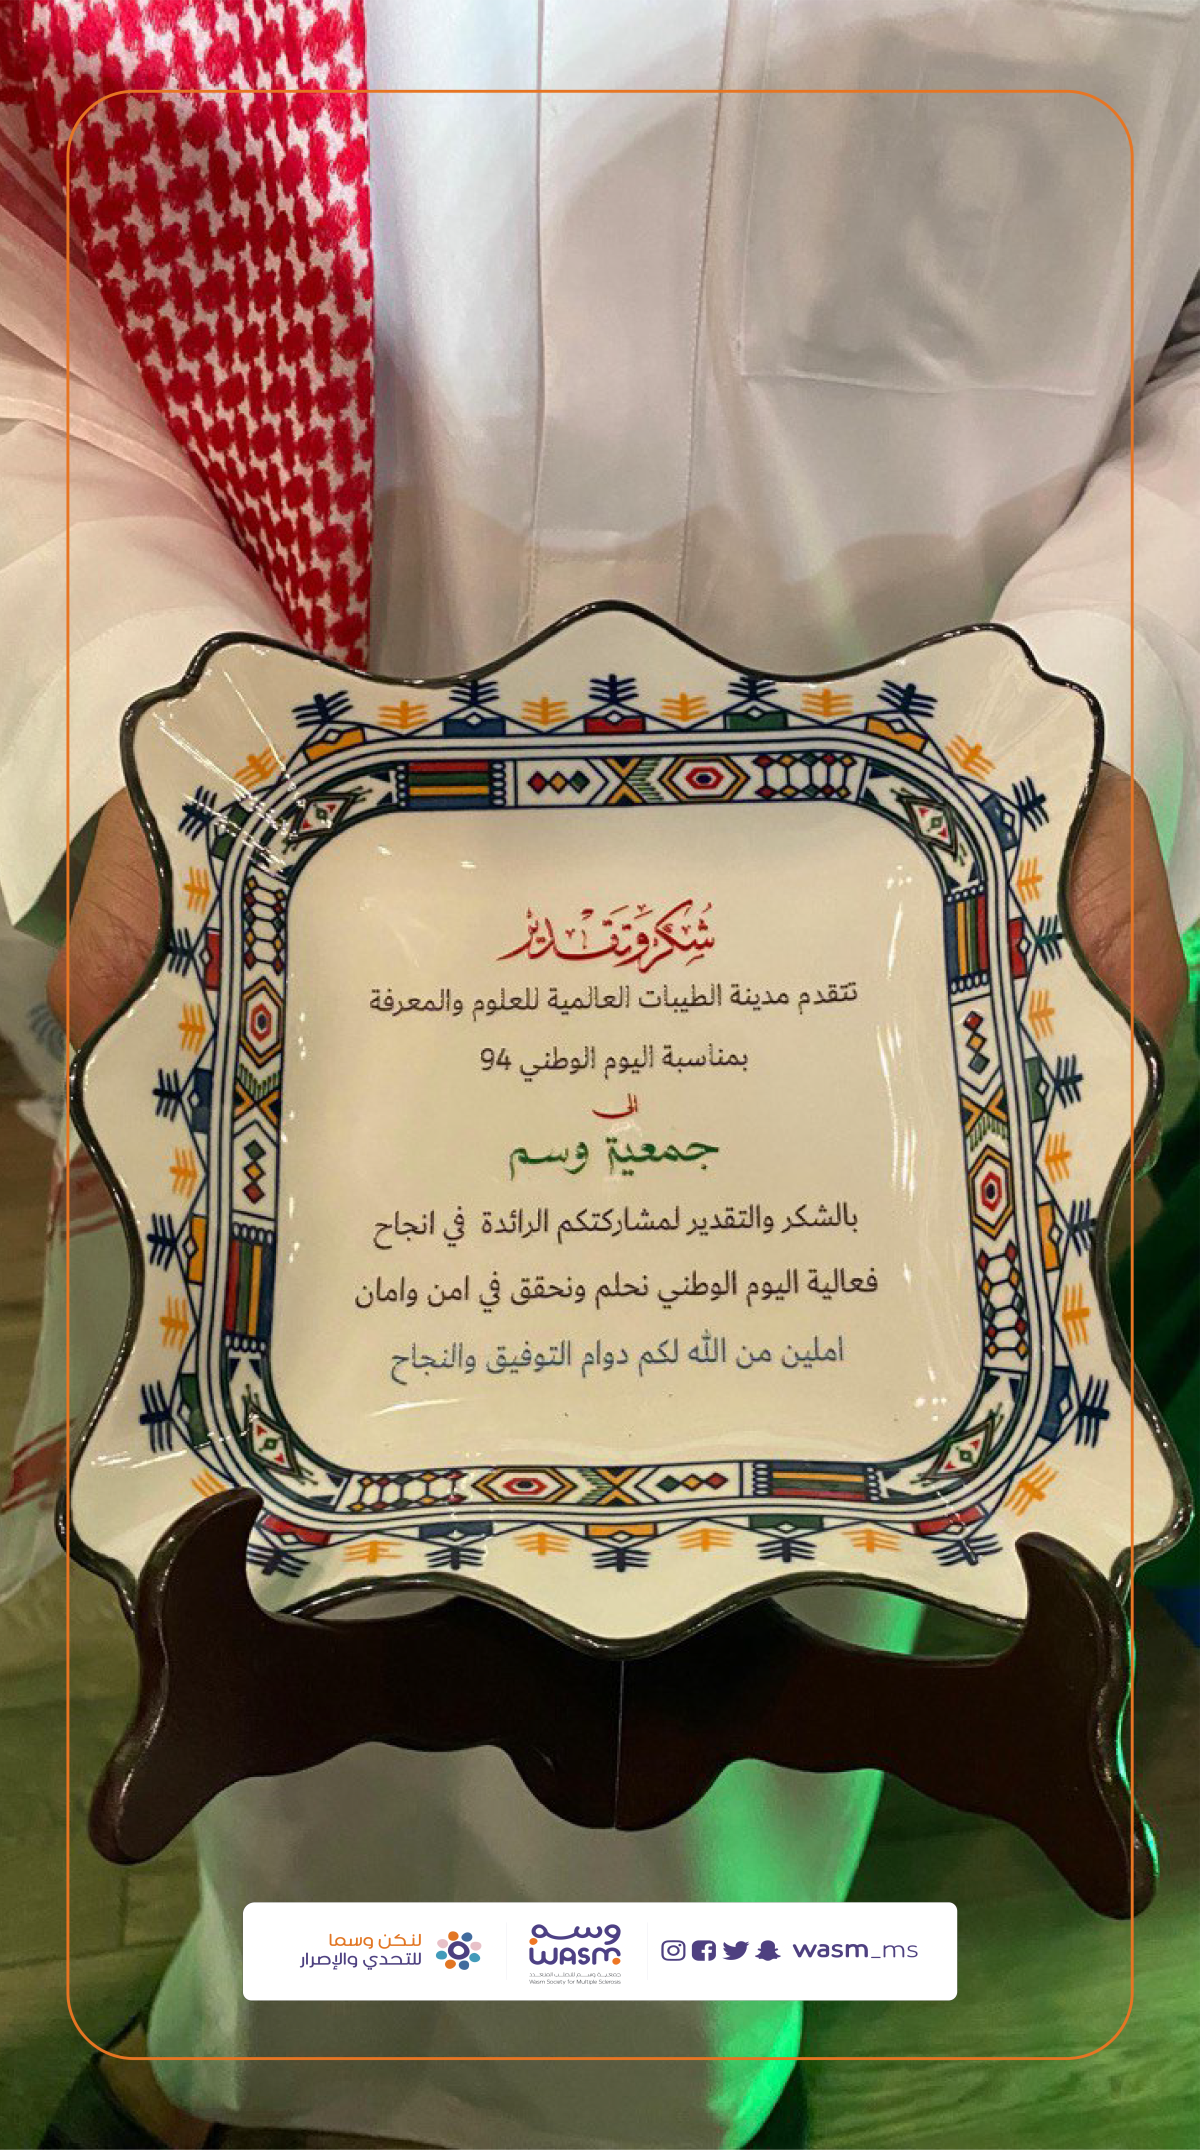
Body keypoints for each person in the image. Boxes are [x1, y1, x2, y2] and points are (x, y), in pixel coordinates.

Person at [0, 4, 1194, 2147]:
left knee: (721, 1781)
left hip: (903, 990)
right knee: (279, 1606)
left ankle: (652, 2083)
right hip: (263, 906)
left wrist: (1111, 703)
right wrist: (132, 718)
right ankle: (256, 2064)